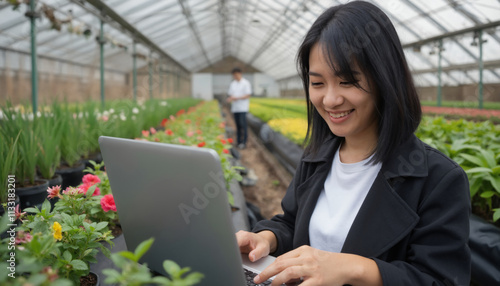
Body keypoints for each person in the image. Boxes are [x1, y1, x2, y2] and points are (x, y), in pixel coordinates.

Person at [236, 1, 471, 285]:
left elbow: (440, 279)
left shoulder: (437, 179)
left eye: (347, 81)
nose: (330, 100)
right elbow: (291, 222)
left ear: (385, 79)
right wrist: (266, 239)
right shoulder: (317, 157)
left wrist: (353, 268)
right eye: (318, 83)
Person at [227, 67, 252, 149]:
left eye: (236, 75)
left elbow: (248, 95)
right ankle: (238, 142)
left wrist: (237, 98)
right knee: (237, 125)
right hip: (235, 108)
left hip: (243, 108)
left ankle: (244, 142)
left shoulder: (245, 83)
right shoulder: (233, 83)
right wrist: (230, 98)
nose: (235, 76)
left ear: (240, 74)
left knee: (243, 125)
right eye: (234, 75)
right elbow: (231, 94)